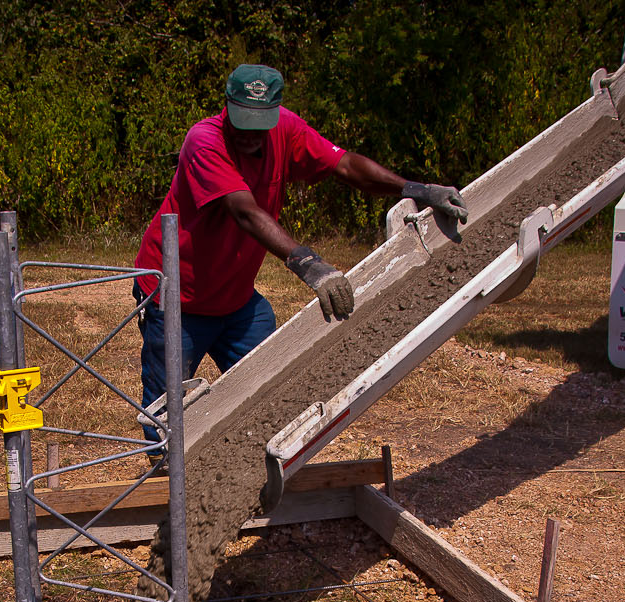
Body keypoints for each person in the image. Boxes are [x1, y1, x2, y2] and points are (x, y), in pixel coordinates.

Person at [133, 63, 468, 438]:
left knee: (272, 399)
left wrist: (417, 190)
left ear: (274, 114)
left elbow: (344, 165)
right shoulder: (204, 141)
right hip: (179, 298)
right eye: (242, 122)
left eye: (260, 125)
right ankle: (168, 489)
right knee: (170, 422)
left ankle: (249, 479)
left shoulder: (285, 130)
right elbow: (244, 211)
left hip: (236, 301)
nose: (250, 135)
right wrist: (308, 264)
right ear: (226, 107)